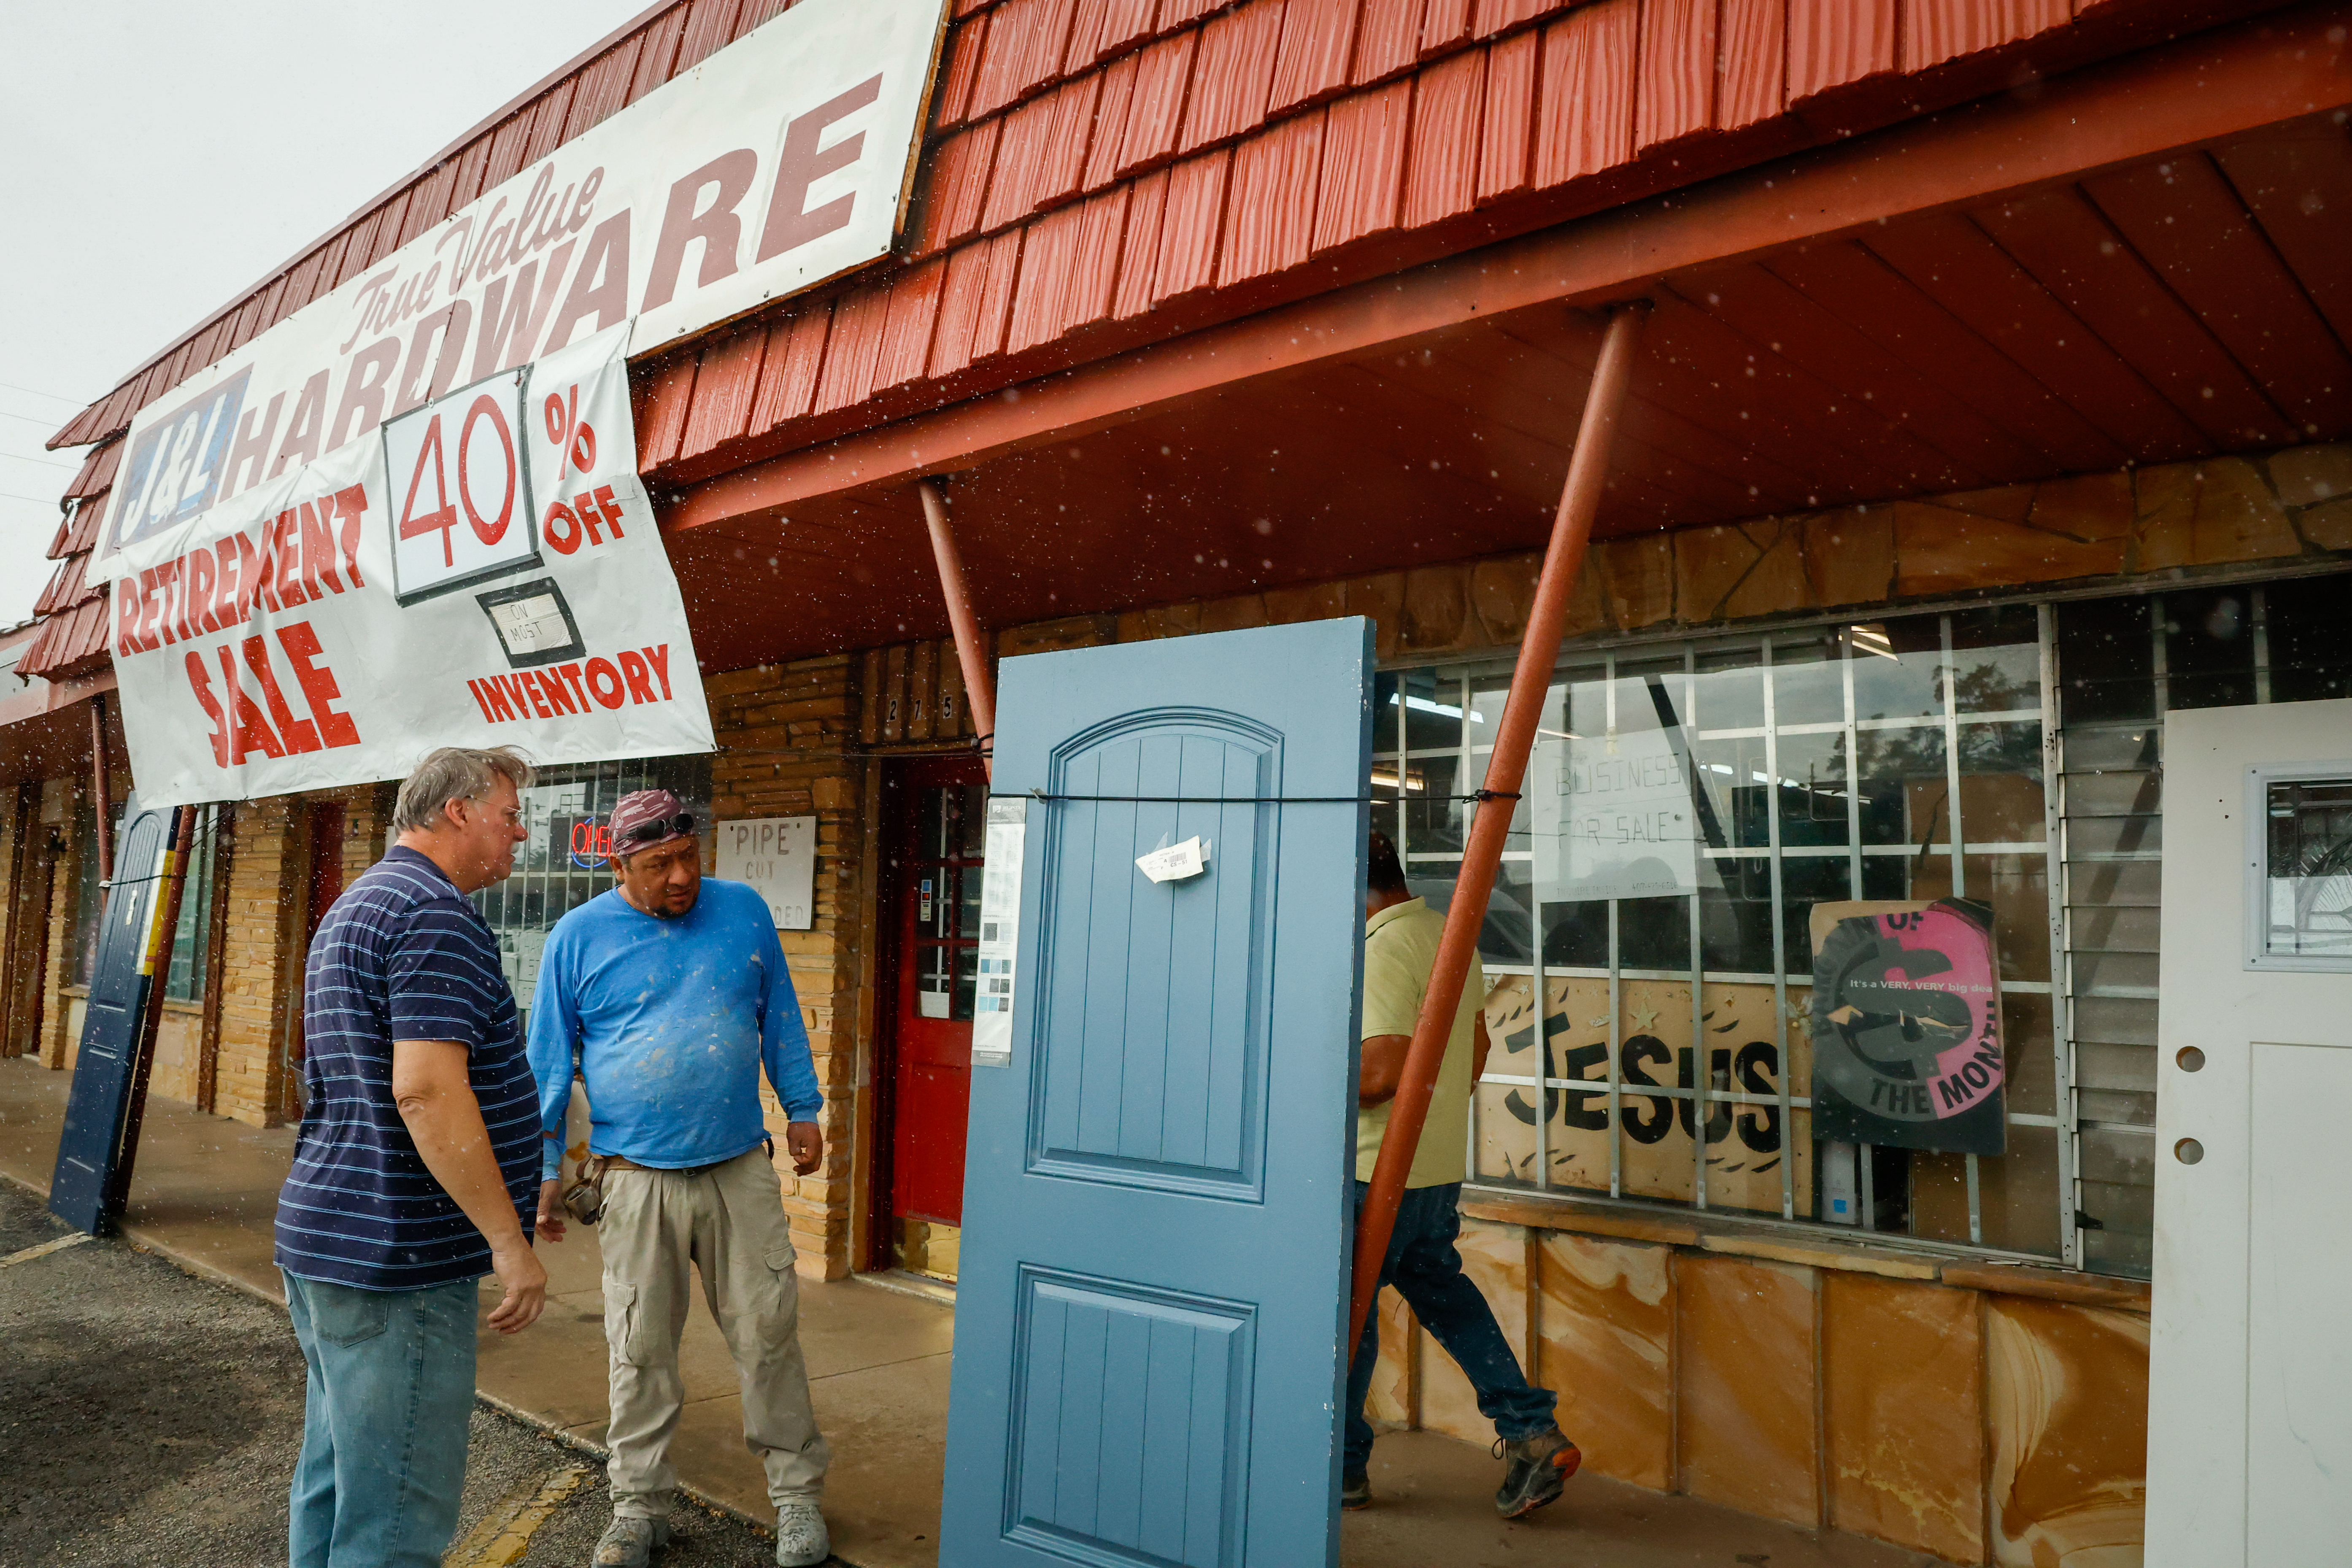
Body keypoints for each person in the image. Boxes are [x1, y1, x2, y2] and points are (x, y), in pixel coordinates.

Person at [527, 789, 831, 1568]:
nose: (680, 877)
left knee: (768, 1336)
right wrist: (540, 1168)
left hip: (737, 1169)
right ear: (620, 864)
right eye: (658, 865)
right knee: (640, 1351)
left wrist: (802, 1105)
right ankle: (638, 1508)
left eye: (688, 857)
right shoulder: (577, 936)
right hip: (635, 1179)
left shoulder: (744, 911)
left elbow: (781, 1016)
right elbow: (549, 1066)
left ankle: (796, 1500)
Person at [273, 747, 548, 1568]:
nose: (521, 832)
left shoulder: (359, 902)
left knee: (337, 1477)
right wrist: (507, 1238)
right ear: (456, 811)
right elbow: (425, 1090)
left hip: (329, 1236)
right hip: (399, 1255)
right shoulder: (432, 914)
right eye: (507, 814)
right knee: (394, 1515)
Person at [1345, 830, 1580, 1518]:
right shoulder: (1443, 935)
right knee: (1444, 1294)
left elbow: (1381, 1071)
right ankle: (1531, 1432)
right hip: (1431, 1168)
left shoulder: (1384, 946)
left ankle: (1341, 1468)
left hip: (1371, 1169)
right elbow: (1473, 1053)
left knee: (1348, 1317)